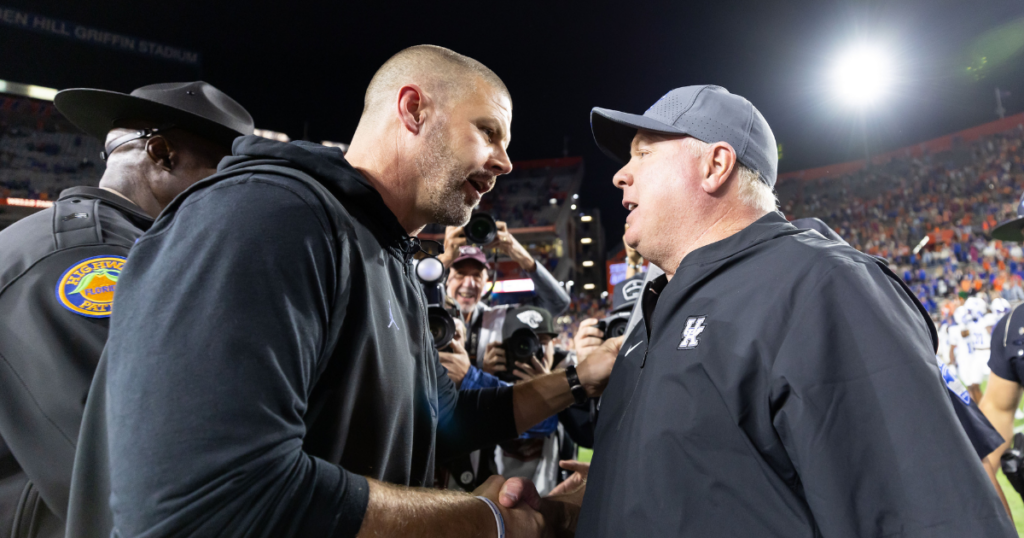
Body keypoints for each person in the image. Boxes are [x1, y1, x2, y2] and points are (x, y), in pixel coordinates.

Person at [65, 45, 621, 538]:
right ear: (413, 109)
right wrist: (490, 523)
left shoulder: (386, 251)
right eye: (488, 131)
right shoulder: (264, 215)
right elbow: (214, 501)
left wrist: (577, 378)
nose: (505, 162)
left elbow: (446, 418)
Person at [568, 84, 1014, 536]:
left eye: (643, 154)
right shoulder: (657, 307)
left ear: (715, 165)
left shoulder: (821, 284)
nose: (620, 175)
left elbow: (929, 517)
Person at [0, 81, 253, 538]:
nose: (231, 195)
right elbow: (118, 460)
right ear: (161, 153)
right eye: (222, 175)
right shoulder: (88, 260)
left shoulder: (130, 246)